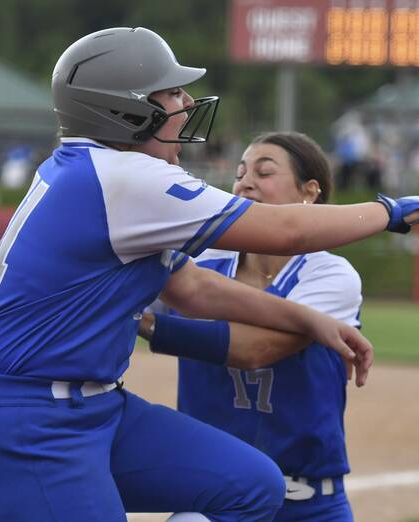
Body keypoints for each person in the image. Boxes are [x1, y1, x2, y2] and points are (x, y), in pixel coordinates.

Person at [0, 27, 419, 522]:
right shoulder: (127, 177)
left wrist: (309, 319)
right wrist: (389, 209)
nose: (186, 104)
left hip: (91, 410)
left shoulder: (98, 171)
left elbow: (191, 288)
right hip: (31, 427)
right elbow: (285, 230)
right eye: (169, 94)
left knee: (252, 485)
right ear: (125, 111)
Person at [140, 132, 366, 521]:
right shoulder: (199, 265)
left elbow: (256, 348)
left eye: (264, 172)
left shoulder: (329, 273)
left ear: (309, 192)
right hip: (215, 496)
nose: (245, 181)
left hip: (308, 504)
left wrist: (143, 325)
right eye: (241, 172)